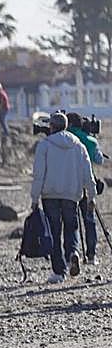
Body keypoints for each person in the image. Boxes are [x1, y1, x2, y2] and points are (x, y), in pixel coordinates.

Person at [31, 111, 97, 281]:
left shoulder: (44, 145)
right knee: (71, 227)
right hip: (71, 194)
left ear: (51, 127)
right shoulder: (78, 146)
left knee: (54, 231)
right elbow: (87, 173)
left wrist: (34, 198)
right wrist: (91, 195)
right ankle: (72, 253)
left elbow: (38, 174)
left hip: (50, 194)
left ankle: (59, 272)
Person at [67, 112, 105, 267]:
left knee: (71, 222)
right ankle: (91, 255)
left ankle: (72, 252)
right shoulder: (90, 140)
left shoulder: (65, 138)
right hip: (86, 184)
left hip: (68, 186)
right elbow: (99, 160)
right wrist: (93, 139)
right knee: (89, 221)